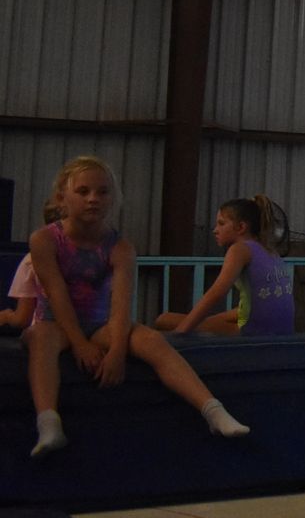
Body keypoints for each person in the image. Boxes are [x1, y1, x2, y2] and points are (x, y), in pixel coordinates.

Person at [22, 156, 250, 459]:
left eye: (103, 192)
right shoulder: (44, 240)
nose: (93, 199)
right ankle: (48, 422)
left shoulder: (120, 247)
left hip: (101, 323)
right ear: (62, 198)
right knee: (39, 338)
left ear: (113, 199)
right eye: (83, 191)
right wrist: (78, 344)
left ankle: (213, 410)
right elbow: (57, 295)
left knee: (152, 339)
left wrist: (116, 352)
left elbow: (121, 305)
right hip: (57, 323)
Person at [154, 196, 294, 337]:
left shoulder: (239, 250)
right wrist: (209, 321)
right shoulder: (269, 250)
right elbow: (256, 305)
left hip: (253, 331)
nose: (215, 230)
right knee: (211, 320)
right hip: (281, 329)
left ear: (241, 227)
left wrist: (180, 331)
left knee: (164, 320)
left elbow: (216, 293)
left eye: (221, 224)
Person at [2, 198, 60, 332]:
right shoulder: (97, 256)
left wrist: (7, 316)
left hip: (44, 332)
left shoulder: (31, 260)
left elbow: (22, 318)